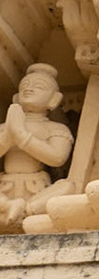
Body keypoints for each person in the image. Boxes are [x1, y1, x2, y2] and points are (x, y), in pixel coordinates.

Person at [0, 65, 73, 227]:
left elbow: (57, 158)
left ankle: (25, 210)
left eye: (39, 86)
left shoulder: (55, 128)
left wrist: (21, 136)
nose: (29, 89)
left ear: (54, 99)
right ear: (16, 96)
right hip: (3, 189)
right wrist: (8, 134)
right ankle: (8, 207)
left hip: (36, 189)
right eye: (24, 86)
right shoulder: (6, 126)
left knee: (67, 187)